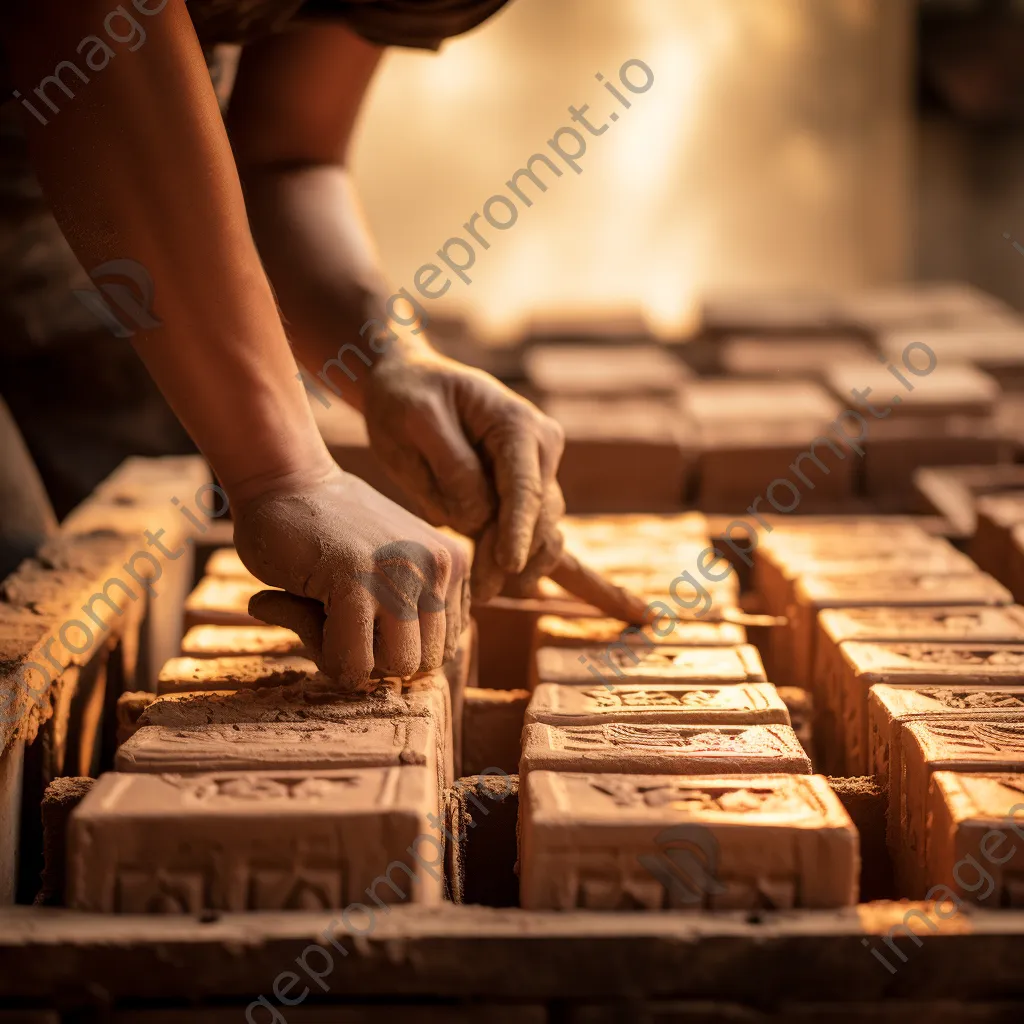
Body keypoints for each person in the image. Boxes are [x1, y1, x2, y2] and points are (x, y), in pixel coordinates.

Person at [0, 0, 642, 690]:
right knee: (21, 592)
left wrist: (390, 360)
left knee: (126, 572)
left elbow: (286, 158)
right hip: (92, 163)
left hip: (87, 232)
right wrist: (284, 471)